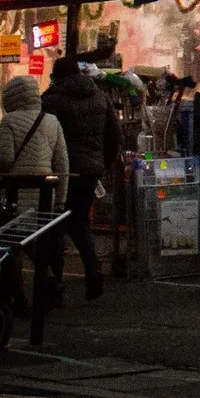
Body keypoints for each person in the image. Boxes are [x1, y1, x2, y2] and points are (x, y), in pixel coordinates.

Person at [41, 60, 121, 300]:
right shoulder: (100, 96)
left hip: (61, 172)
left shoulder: (51, 100)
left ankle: (54, 285)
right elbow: (114, 136)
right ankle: (93, 272)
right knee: (79, 220)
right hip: (90, 172)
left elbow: (44, 138)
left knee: (55, 224)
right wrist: (101, 164)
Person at [0, 75, 69, 309]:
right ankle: (49, 283)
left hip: (18, 195)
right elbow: (62, 163)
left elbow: (4, 161)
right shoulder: (52, 121)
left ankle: (19, 299)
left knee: (13, 244)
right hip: (46, 195)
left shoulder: (9, 121)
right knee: (35, 242)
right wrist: (61, 198)